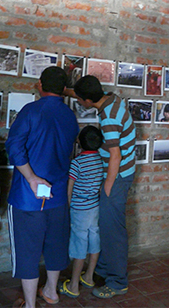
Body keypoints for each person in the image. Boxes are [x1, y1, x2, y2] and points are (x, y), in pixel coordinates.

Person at [6, 67, 79, 308]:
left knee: (28, 249)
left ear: (39, 85)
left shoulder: (31, 111)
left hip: (29, 195)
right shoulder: (70, 115)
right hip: (57, 194)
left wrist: (31, 177)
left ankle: (29, 304)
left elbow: (14, 147)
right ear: (64, 90)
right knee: (56, 243)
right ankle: (51, 291)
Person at [71, 75, 136, 299]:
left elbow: (115, 156)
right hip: (120, 173)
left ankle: (118, 282)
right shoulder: (111, 99)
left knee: (112, 230)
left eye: (80, 100)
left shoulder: (108, 117)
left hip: (116, 177)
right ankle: (104, 270)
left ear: (88, 101)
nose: (79, 102)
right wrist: (65, 90)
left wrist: (107, 187)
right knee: (106, 226)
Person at [59, 125, 104, 299]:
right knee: (94, 239)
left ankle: (74, 285)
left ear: (79, 141)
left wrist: (67, 210)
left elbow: (69, 190)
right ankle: (89, 277)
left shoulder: (76, 163)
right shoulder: (99, 159)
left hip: (79, 210)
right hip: (95, 208)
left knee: (79, 245)